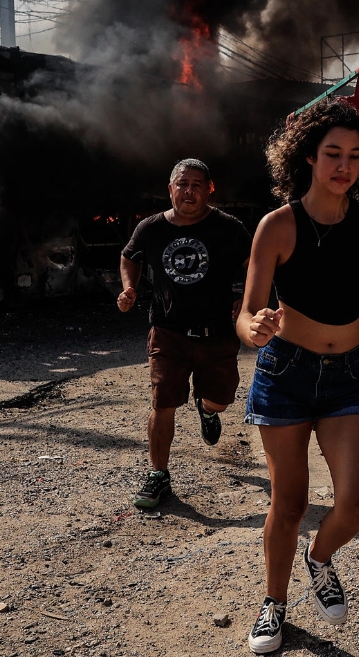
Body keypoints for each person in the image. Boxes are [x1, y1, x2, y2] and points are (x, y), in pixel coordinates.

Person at [235, 99, 359, 653]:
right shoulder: (277, 226)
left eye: (354, 156)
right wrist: (254, 327)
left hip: (352, 373)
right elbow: (246, 311)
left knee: (357, 503)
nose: (343, 167)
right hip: (288, 373)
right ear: (307, 157)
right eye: (332, 154)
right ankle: (273, 605)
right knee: (291, 503)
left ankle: (320, 557)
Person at [118, 158, 252, 509]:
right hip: (168, 331)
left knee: (221, 398)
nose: (188, 190)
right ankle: (158, 476)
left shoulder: (229, 228)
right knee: (162, 403)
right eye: (182, 183)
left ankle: (207, 410)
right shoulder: (151, 228)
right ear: (170, 189)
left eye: (196, 184)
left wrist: (244, 299)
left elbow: (254, 264)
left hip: (218, 333)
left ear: (210, 189)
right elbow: (129, 256)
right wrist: (130, 288)